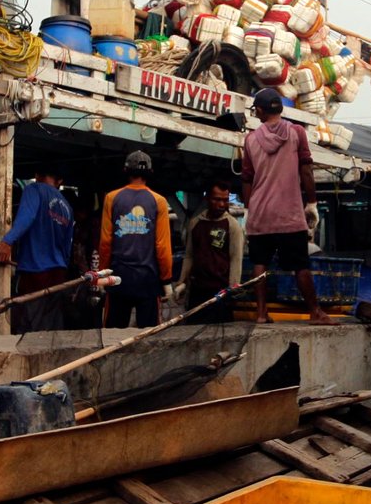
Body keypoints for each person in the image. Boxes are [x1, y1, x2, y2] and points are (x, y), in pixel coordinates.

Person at [241, 87, 335, 325]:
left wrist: (248, 210)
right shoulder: (296, 133)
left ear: (260, 111)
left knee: (260, 263)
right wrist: (312, 202)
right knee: (300, 265)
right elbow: (306, 169)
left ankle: (261, 314)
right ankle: (315, 312)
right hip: (289, 214)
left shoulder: (250, 140)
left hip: (261, 214)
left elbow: (246, 179)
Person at [0, 163, 74, 332]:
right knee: (51, 324)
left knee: (30, 324)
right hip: (58, 272)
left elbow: (26, 217)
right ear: (59, 181)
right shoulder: (67, 206)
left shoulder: (34, 190)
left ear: (37, 175)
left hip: (35, 271)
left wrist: (7, 241)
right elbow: (68, 247)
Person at [99, 150, 173, 327]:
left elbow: (105, 242)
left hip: (118, 278)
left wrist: (102, 273)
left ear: (125, 171)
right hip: (148, 280)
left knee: (113, 336)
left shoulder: (112, 198)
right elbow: (162, 246)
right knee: (148, 338)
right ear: (150, 173)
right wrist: (166, 280)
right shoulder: (159, 201)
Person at [174, 181, 244, 323]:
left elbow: (236, 259)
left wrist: (232, 290)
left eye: (225, 200)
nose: (221, 204)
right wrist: (182, 282)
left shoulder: (232, 225)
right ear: (207, 198)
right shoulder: (195, 223)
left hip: (220, 292)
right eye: (217, 199)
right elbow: (189, 255)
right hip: (197, 291)